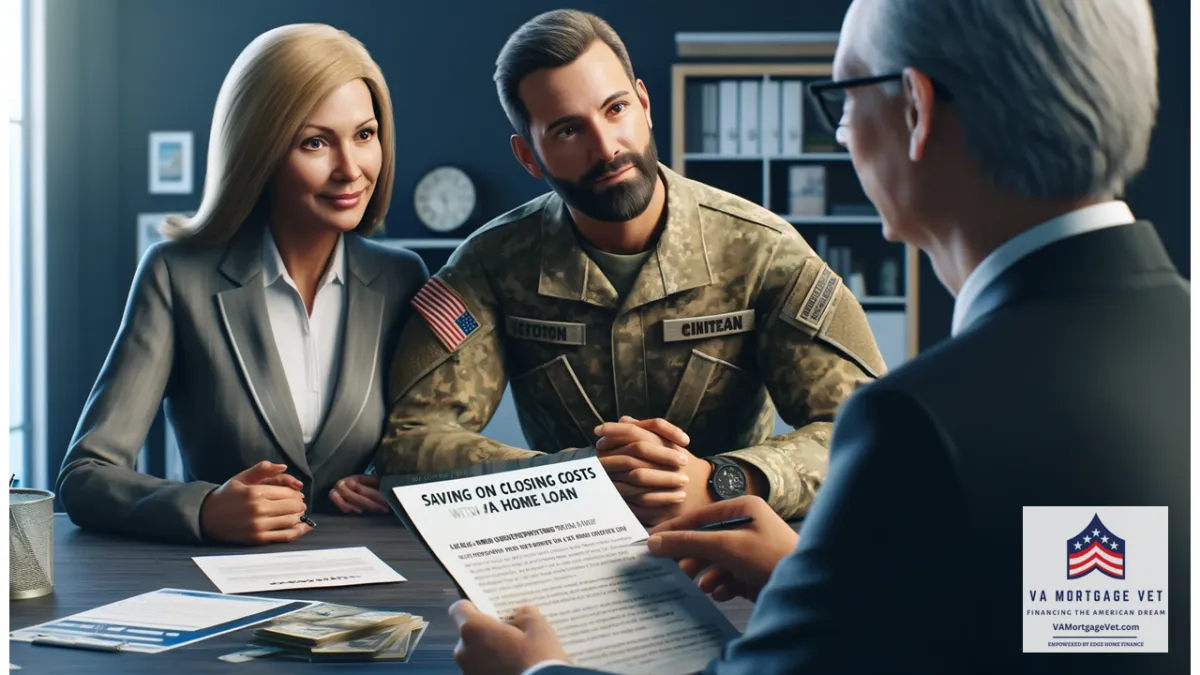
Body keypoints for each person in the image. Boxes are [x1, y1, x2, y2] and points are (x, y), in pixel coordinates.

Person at [447, 0, 1190, 673]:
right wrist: (825, 580)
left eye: (843, 97)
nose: (839, 133)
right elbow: (1085, 636)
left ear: (916, 111)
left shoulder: (915, 425)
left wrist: (539, 673)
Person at [374, 9, 886, 526]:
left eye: (615, 109)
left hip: (735, 541)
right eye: (569, 130)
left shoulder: (763, 251)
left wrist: (721, 480)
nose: (606, 147)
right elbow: (411, 441)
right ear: (529, 157)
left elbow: (865, 429)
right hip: (561, 545)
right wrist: (573, 480)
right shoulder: (489, 265)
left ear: (644, 104)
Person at [56, 24, 429, 545]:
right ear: (260, 150)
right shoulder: (175, 274)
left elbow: (426, 443)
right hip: (225, 589)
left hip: (374, 578)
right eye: (315, 142)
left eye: (365, 135)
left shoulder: (403, 277)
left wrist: (396, 486)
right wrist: (205, 509)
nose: (351, 169)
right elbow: (85, 477)